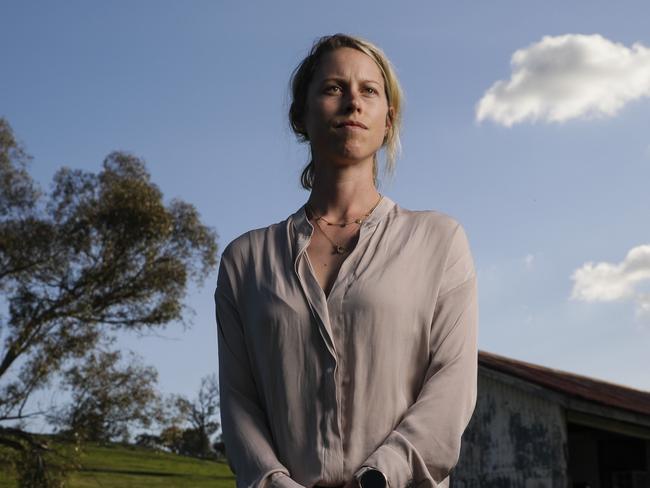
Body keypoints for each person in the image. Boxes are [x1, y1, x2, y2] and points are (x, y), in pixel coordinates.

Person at [215, 34, 478, 488]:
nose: (353, 102)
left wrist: (377, 479)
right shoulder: (245, 262)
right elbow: (239, 403)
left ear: (387, 120)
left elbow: (451, 387)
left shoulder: (439, 241)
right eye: (333, 88)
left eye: (369, 91)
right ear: (301, 114)